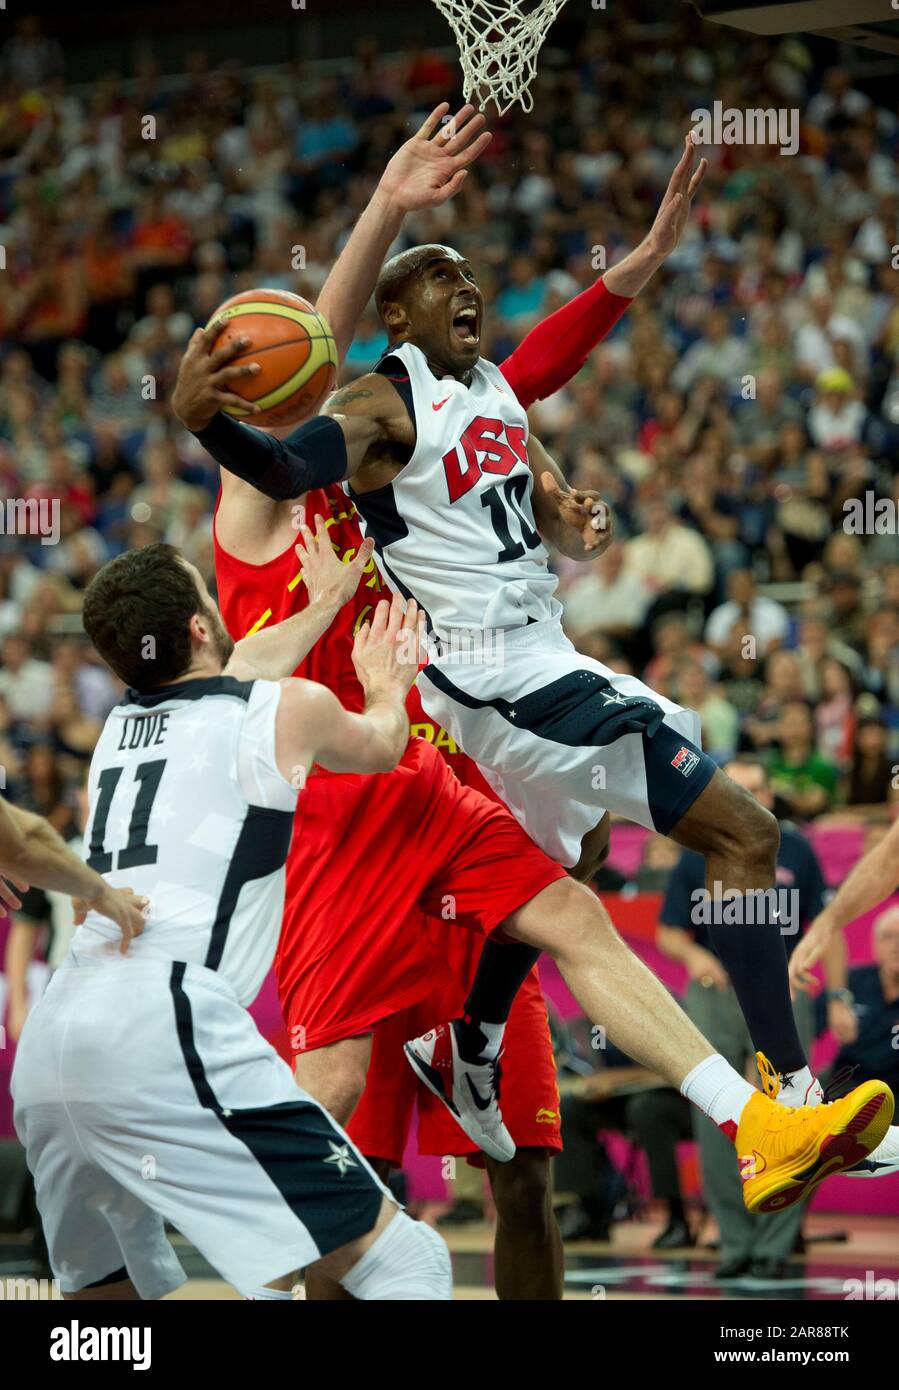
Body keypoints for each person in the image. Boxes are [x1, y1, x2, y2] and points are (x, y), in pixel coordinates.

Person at [182, 139, 846, 1154]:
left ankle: (482, 1051)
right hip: (387, 759)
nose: (468, 288)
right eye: (441, 278)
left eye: (468, 276)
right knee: (335, 1075)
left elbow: (539, 362)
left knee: (569, 871)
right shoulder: (334, 440)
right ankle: (784, 1096)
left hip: (440, 741)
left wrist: (643, 257)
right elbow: (280, 447)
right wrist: (209, 421)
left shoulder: (470, 390)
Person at [188, 117, 706, 1299]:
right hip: (345, 839)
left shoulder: (388, 471)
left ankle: (732, 1106)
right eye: (290, 380)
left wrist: (628, 273)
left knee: (524, 1161)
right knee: (355, 1178)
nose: (320, 386)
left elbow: (513, 380)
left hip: (448, 809)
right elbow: (312, 359)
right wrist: (381, 211)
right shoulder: (259, 516)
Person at [13, 541, 454, 1302]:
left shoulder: (119, 729)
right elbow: (383, 746)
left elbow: (241, 666)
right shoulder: (289, 711)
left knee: (106, 1307)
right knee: (410, 1263)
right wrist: (386, 685)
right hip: (164, 1022)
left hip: (53, 1047)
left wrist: (319, 605)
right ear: (196, 625)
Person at [657, 757, 843, 1281]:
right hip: (716, 992)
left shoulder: (797, 849)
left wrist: (837, 993)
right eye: (741, 785)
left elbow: (827, 923)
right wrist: (698, 960)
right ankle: (733, 1240)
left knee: (796, 1110)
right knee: (718, 1113)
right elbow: (670, 930)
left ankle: (775, 1246)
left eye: (759, 786)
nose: (750, 794)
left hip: (782, 990)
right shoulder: (698, 853)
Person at [789, 811, 899, 1176]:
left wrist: (827, 921)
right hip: (854, 1084)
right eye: (888, 937)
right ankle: (789, 1225)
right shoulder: (857, 983)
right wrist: (827, 921)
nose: (895, 946)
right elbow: (889, 858)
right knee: (802, 1104)